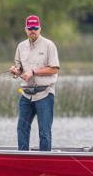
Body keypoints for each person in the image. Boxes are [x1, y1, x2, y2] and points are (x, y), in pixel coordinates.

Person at [9, 14, 60, 151]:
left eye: (35, 28)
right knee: (22, 129)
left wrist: (33, 72)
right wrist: (16, 72)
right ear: (25, 29)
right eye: (30, 28)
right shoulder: (20, 47)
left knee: (44, 132)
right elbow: (20, 69)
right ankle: (23, 160)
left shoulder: (49, 45)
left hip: (45, 93)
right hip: (26, 94)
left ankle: (45, 162)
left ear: (40, 29)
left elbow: (54, 69)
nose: (33, 31)